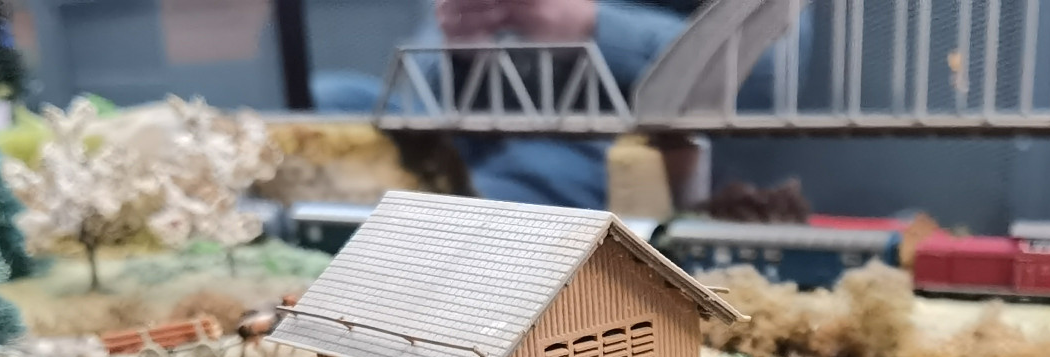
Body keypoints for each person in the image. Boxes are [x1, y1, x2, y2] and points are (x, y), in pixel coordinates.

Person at [314, 0, 793, 209]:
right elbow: (426, 81)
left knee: (520, 177)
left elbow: (766, 72)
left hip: (605, 139)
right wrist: (463, 48)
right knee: (325, 100)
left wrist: (592, 26)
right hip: (474, 121)